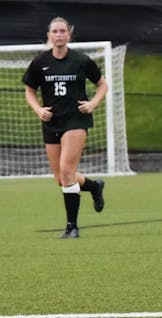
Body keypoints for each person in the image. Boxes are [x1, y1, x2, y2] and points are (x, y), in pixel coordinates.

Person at [23, 18, 108, 238]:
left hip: (75, 121)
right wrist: (38, 110)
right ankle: (94, 187)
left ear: (69, 35)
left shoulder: (80, 60)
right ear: (49, 36)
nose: (59, 35)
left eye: (63, 31)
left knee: (67, 171)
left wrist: (92, 104)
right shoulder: (40, 62)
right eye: (55, 31)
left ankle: (72, 227)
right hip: (52, 122)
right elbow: (30, 91)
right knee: (61, 178)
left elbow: (102, 84)